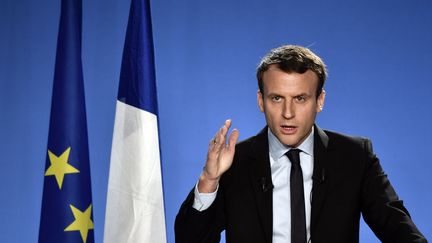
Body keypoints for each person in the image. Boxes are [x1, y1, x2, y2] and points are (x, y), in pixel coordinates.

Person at [175, 45, 426, 243]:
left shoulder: (355, 157)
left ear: (320, 100)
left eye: (300, 98)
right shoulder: (234, 162)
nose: (288, 113)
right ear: (261, 101)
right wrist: (209, 180)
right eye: (276, 98)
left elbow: (398, 229)